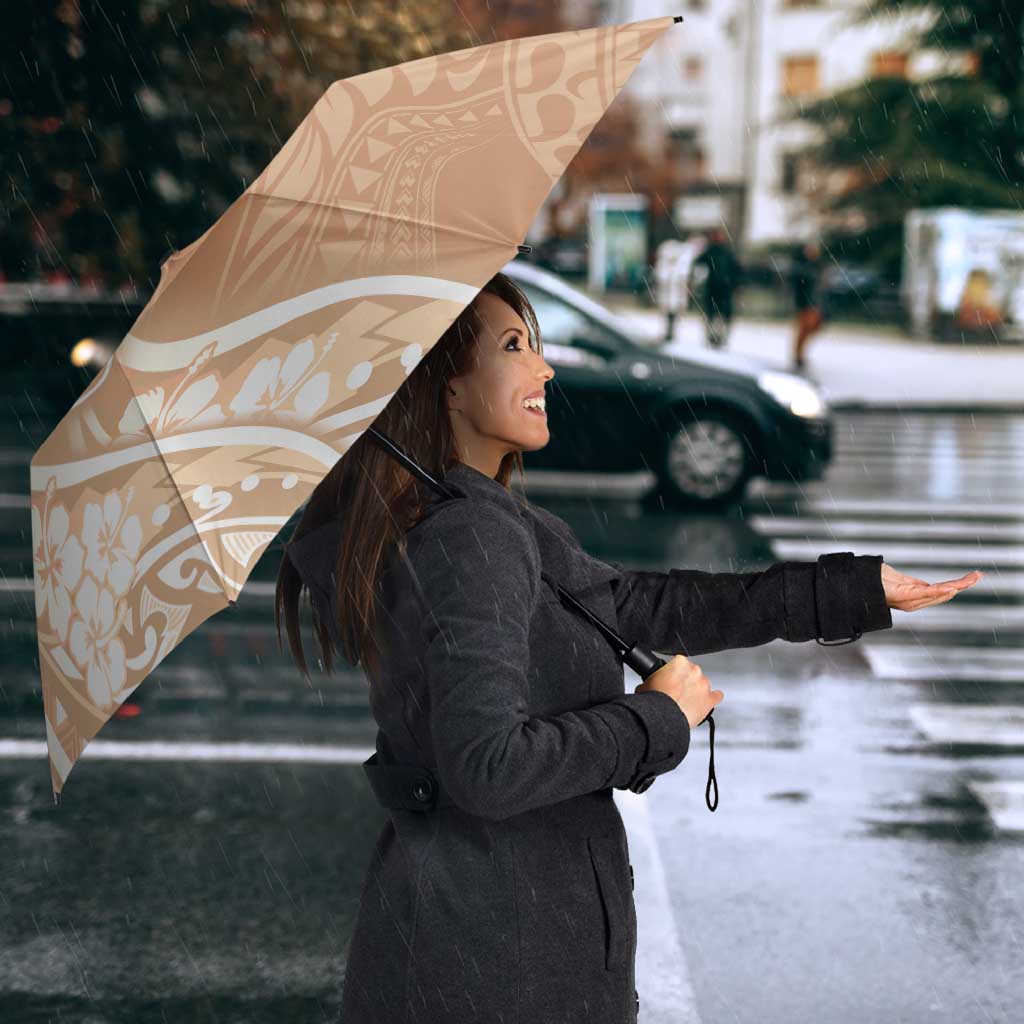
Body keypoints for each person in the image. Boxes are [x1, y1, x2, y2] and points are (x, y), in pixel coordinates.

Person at [277, 271, 978, 1024]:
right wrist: (655, 719)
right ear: (445, 385)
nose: (544, 368)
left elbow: (641, 605)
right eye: (514, 346)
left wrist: (850, 591)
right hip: (499, 962)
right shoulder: (470, 536)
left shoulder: (476, 518)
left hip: (480, 941)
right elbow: (487, 767)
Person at [692, 226, 742, 349]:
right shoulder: (712, 251)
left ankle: (719, 337)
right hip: (715, 288)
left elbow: (736, 270)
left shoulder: (725, 252)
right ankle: (713, 337)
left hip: (723, 288)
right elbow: (698, 264)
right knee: (713, 314)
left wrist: (735, 284)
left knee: (720, 315)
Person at [790, 239, 826, 370]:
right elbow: (799, 286)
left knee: (812, 328)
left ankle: (799, 354)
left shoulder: (817, 266)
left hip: (814, 303)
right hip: (805, 303)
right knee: (804, 329)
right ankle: (798, 355)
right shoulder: (802, 267)